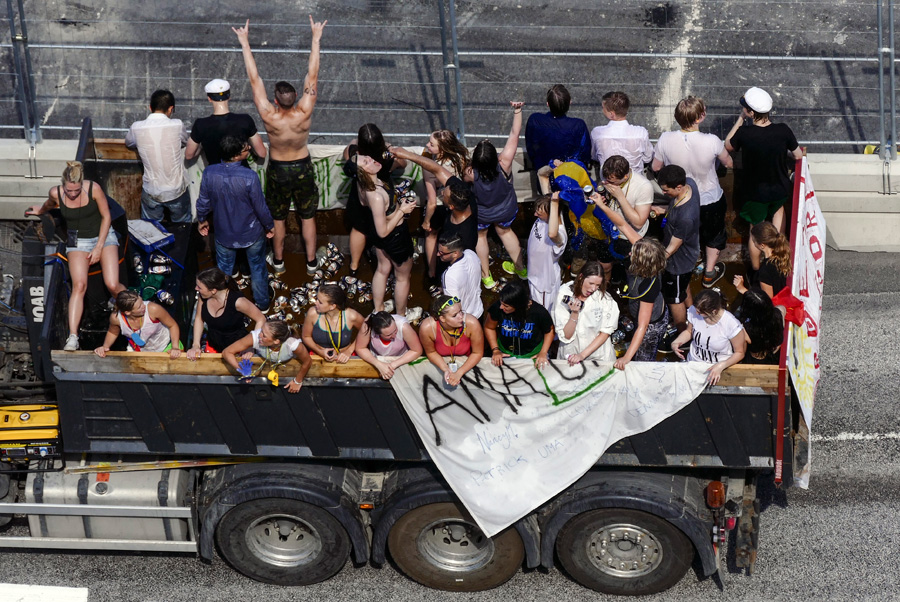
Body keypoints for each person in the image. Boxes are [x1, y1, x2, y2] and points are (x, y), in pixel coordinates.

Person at [233, 17, 327, 275]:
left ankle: (278, 260)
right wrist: (315, 38)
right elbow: (313, 74)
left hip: (277, 168)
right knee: (307, 216)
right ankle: (310, 262)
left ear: (275, 99)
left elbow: (254, 80)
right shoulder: (304, 111)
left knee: (278, 217)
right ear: (297, 96)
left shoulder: (268, 114)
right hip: (302, 165)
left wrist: (245, 43)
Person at [26, 161, 125, 351]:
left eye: (76, 190)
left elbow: (106, 217)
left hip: (102, 235)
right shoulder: (56, 193)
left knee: (112, 284)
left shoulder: (93, 188)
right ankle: (73, 336)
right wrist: (41, 210)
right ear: (63, 185)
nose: (72, 194)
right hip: (77, 240)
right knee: (79, 284)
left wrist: (98, 247)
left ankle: (134, 305)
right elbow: (49, 204)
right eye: (69, 191)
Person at [653, 96, 734, 288]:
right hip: (710, 197)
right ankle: (709, 273)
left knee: (684, 231)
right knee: (714, 234)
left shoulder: (665, 139)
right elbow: (728, 162)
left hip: (681, 198)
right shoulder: (712, 141)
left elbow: (657, 167)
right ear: (700, 117)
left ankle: (690, 259)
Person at [724, 86, 802, 268]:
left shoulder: (745, 134)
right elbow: (798, 155)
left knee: (756, 233)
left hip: (755, 195)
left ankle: (756, 269)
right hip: (780, 189)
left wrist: (740, 119)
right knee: (777, 231)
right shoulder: (783, 130)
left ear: (751, 112)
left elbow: (728, 145)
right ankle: (778, 263)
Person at [196, 136, 275, 312]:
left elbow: (203, 202)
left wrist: (202, 220)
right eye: (246, 149)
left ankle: (223, 306)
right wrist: (269, 225)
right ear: (237, 155)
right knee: (258, 268)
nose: (248, 150)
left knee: (223, 271)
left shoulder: (209, 173)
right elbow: (260, 207)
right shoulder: (249, 176)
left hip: (224, 234)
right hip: (251, 233)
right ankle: (262, 304)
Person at [389, 145, 477, 287]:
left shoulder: (461, 235)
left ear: (452, 206)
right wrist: (407, 154)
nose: (442, 192)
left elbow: (458, 260)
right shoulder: (464, 194)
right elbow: (437, 169)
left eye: (445, 195)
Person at [467, 101, 526, 287]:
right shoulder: (505, 163)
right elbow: (515, 134)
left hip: (482, 213)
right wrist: (517, 110)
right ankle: (521, 269)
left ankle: (487, 276)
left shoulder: (470, 174)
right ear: (495, 157)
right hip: (505, 209)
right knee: (505, 232)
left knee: (481, 236)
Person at [343, 124, 408, 277]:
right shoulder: (385, 159)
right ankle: (385, 263)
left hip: (359, 194)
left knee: (359, 228)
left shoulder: (357, 157)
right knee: (382, 226)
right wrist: (389, 148)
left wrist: (356, 144)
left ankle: (354, 265)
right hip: (382, 192)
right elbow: (403, 163)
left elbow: (347, 151)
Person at [356, 153, 416, 315]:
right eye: (366, 161)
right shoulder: (375, 195)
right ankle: (401, 315)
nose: (372, 159)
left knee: (383, 269)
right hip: (394, 235)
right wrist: (402, 211)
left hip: (376, 231)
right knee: (402, 277)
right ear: (363, 172)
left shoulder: (361, 184)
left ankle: (378, 309)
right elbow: (383, 232)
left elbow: (362, 203)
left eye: (367, 156)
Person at [124, 89, 192, 223]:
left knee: (152, 230)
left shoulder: (137, 127)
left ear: (150, 107)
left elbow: (129, 143)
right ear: (171, 108)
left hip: (152, 190)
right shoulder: (177, 125)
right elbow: (184, 142)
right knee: (183, 227)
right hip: (176, 189)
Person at [655, 165, 701, 332]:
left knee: (674, 298)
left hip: (678, 263)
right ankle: (694, 315)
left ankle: (682, 331)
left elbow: (673, 247)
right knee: (683, 287)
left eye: (667, 191)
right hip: (689, 255)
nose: (664, 193)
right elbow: (675, 205)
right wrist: (664, 210)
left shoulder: (686, 217)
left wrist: (655, 262)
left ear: (679, 187)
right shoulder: (690, 184)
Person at [420, 130, 469, 282]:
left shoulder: (430, 168)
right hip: (456, 206)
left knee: (431, 236)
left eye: (431, 144)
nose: (427, 145)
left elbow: (432, 201)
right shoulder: (460, 158)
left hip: (440, 206)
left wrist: (426, 221)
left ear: (442, 149)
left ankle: (432, 271)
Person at [595, 154, 654, 281]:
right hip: (607, 231)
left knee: (632, 272)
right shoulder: (607, 176)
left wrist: (620, 196)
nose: (607, 184)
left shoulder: (643, 186)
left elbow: (638, 223)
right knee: (603, 266)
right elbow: (602, 185)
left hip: (629, 237)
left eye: (612, 182)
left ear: (625, 176)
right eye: (606, 180)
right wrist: (604, 197)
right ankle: (604, 292)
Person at [186, 267, 266, 359]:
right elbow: (199, 318)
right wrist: (196, 344)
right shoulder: (203, 296)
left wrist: (251, 346)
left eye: (199, 287)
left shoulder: (238, 301)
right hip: (213, 345)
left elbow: (261, 319)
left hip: (238, 349)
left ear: (213, 290)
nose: (196, 289)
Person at [614, 238, 669, 370]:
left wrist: (626, 357)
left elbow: (643, 326)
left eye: (633, 253)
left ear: (640, 262)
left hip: (651, 325)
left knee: (643, 360)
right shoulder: (651, 261)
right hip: (647, 313)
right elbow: (623, 226)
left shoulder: (648, 286)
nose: (630, 254)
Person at [184, 79, 266, 168]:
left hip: (215, 176)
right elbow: (261, 153)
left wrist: (202, 146)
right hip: (241, 175)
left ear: (209, 99)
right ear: (229, 96)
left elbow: (189, 155)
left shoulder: (200, 124)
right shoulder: (245, 120)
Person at [670, 289, 746, 385]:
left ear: (714, 311)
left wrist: (721, 365)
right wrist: (676, 342)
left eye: (700, 312)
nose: (696, 313)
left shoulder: (731, 324)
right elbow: (689, 331)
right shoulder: (695, 310)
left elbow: (739, 353)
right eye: (696, 309)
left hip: (717, 369)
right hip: (693, 363)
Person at [552, 261, 620, 365]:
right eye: (591, 283)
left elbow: (605, 333)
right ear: (581, 277)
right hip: (571, 357)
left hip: (599, 358)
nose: (593, 289)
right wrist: (574, 313)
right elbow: (566, 336)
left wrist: (582, 355)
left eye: (598, 285)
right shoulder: (564, 294)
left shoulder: (605, 299)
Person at [222, 319, 312, 393]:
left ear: (276, 341)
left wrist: (297, 381)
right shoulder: (256, 337)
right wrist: (242, 371)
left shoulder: (292, 344)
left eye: (264, 335)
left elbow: (307, 361)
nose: (260, 335)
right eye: (261, 330)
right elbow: (227, 352)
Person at [484, 280, 554, 369]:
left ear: (518, 305)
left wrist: (543, 352)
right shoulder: (497, 308)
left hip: (533, 355)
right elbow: (489, 327)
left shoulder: (539, 312)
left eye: (506, 306)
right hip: (504, 353)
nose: (501, 307)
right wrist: (495, 350)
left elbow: (550, 331)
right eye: (501, 303)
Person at [419, 295, 485, 387]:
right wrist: (446, 369)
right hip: (440, 367)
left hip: (468, 366)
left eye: (461, 312)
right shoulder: (428, 328)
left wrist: (459, 372)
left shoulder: (471, 323)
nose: (461, 317)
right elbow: (431, 352)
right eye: (455, 315)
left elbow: (477, 353)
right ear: (442, 319)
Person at [94, 290, 181, 358]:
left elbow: (172, 325)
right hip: (141, 351)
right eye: (139, 307)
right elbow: (113, 332)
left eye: (142, 301)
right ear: (128, 312)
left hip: (166, 346)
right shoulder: (116, 318)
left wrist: (175, 347)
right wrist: (105, 347)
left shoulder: (153, 309)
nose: (144, 306)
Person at [525, 84, 591, 170]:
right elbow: (585, 155)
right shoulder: (578, 125)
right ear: (570, 102)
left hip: (544, 175)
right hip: (570, 176)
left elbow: (531, 148)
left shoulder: (535, 120)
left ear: (547, 104)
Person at [590, 91, 653, 174]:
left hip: (608, 181)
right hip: (636, 181)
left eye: (603, 108)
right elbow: (648, 158)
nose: (602, 111)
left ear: (612, 114)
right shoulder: (641, 133)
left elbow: (594, 156)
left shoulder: (597, 133)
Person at [301, 283, 365, 363]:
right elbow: (306, 336)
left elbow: (367, 332)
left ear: (332, 306)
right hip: (317, 354)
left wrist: (349, 351)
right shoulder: (312, 313)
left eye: (320, 302)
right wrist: (320, 351)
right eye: (317, 299)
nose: (315, 303)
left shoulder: (352, 316)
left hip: (346, 357)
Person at [526, 192, 567, 311]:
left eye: (539, 213)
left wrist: (554, 203)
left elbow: (552, 234)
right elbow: (543, 178)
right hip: (534, 274)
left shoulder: (560, 234)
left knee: (543, 312)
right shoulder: (544, 219)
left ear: (552, 213)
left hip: (544, 283)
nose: (535, 214)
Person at [354, 311, 423, 380]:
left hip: (400, 359)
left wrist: (392, 366)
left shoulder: (404, 327)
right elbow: (360, 348)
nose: (394, 335)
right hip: (376, 358)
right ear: (378, 333)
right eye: (389, 335)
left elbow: (417, 350)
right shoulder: (368, 325)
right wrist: (378, 364)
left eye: (395, 330)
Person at [733, 221, 791, 299]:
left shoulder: (765, 271)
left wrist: (742, 289)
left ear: (762, 245)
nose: (753, 243)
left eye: (754, 241)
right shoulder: (784, 254)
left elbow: (766, 302)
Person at [437, 233, 483, 319]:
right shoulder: (471, 253)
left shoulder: (449, 276)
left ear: (455, 253)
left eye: (442, 253)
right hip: (479, 311)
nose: (438, 254)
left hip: (465, 319)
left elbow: (453, 307)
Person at [734, 287, 785, 364]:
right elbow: (783, 308)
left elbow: (742, 351)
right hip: (774, 353)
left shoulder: (744, 328)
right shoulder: (778, 315)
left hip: (755, 358)